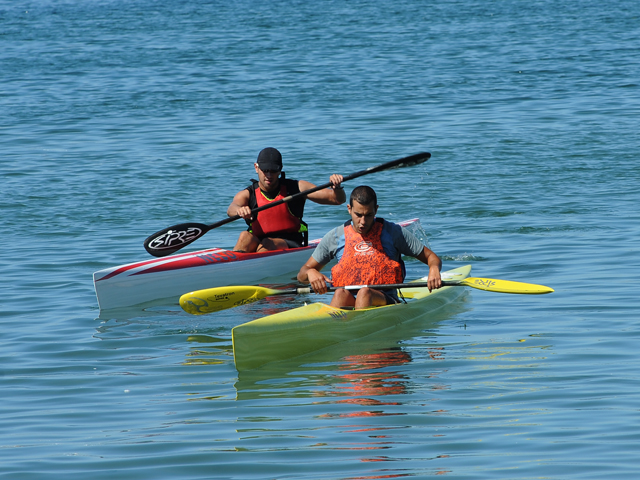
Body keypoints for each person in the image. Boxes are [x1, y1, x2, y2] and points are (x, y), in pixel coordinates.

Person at [297, 185, 442, 309]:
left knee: (364, 293)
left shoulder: (393, 232)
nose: (363, 222)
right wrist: (311, 273)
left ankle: (354, 332)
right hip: (348, 301)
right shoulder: (335, 236)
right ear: (349, 209)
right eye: (358, 215)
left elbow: (431, 257)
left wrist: (434, 268)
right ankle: (331, 330)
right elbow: (302, 274)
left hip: (386, 301)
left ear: (376, 210)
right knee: (340, 293)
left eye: (368, 215)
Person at [227, 147, 346, 252]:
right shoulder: (248, 193)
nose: (269, 175)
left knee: (267, 244)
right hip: (260, 241)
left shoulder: (296, 188)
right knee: (244, 236)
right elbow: (231, 208)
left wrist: (338, 188)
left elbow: (337, 200)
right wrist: (240, 210)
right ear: (256, 167)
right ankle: (231, 269)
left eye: (273, 171)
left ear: (280, 169)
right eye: (265, 170)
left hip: (291, 242)